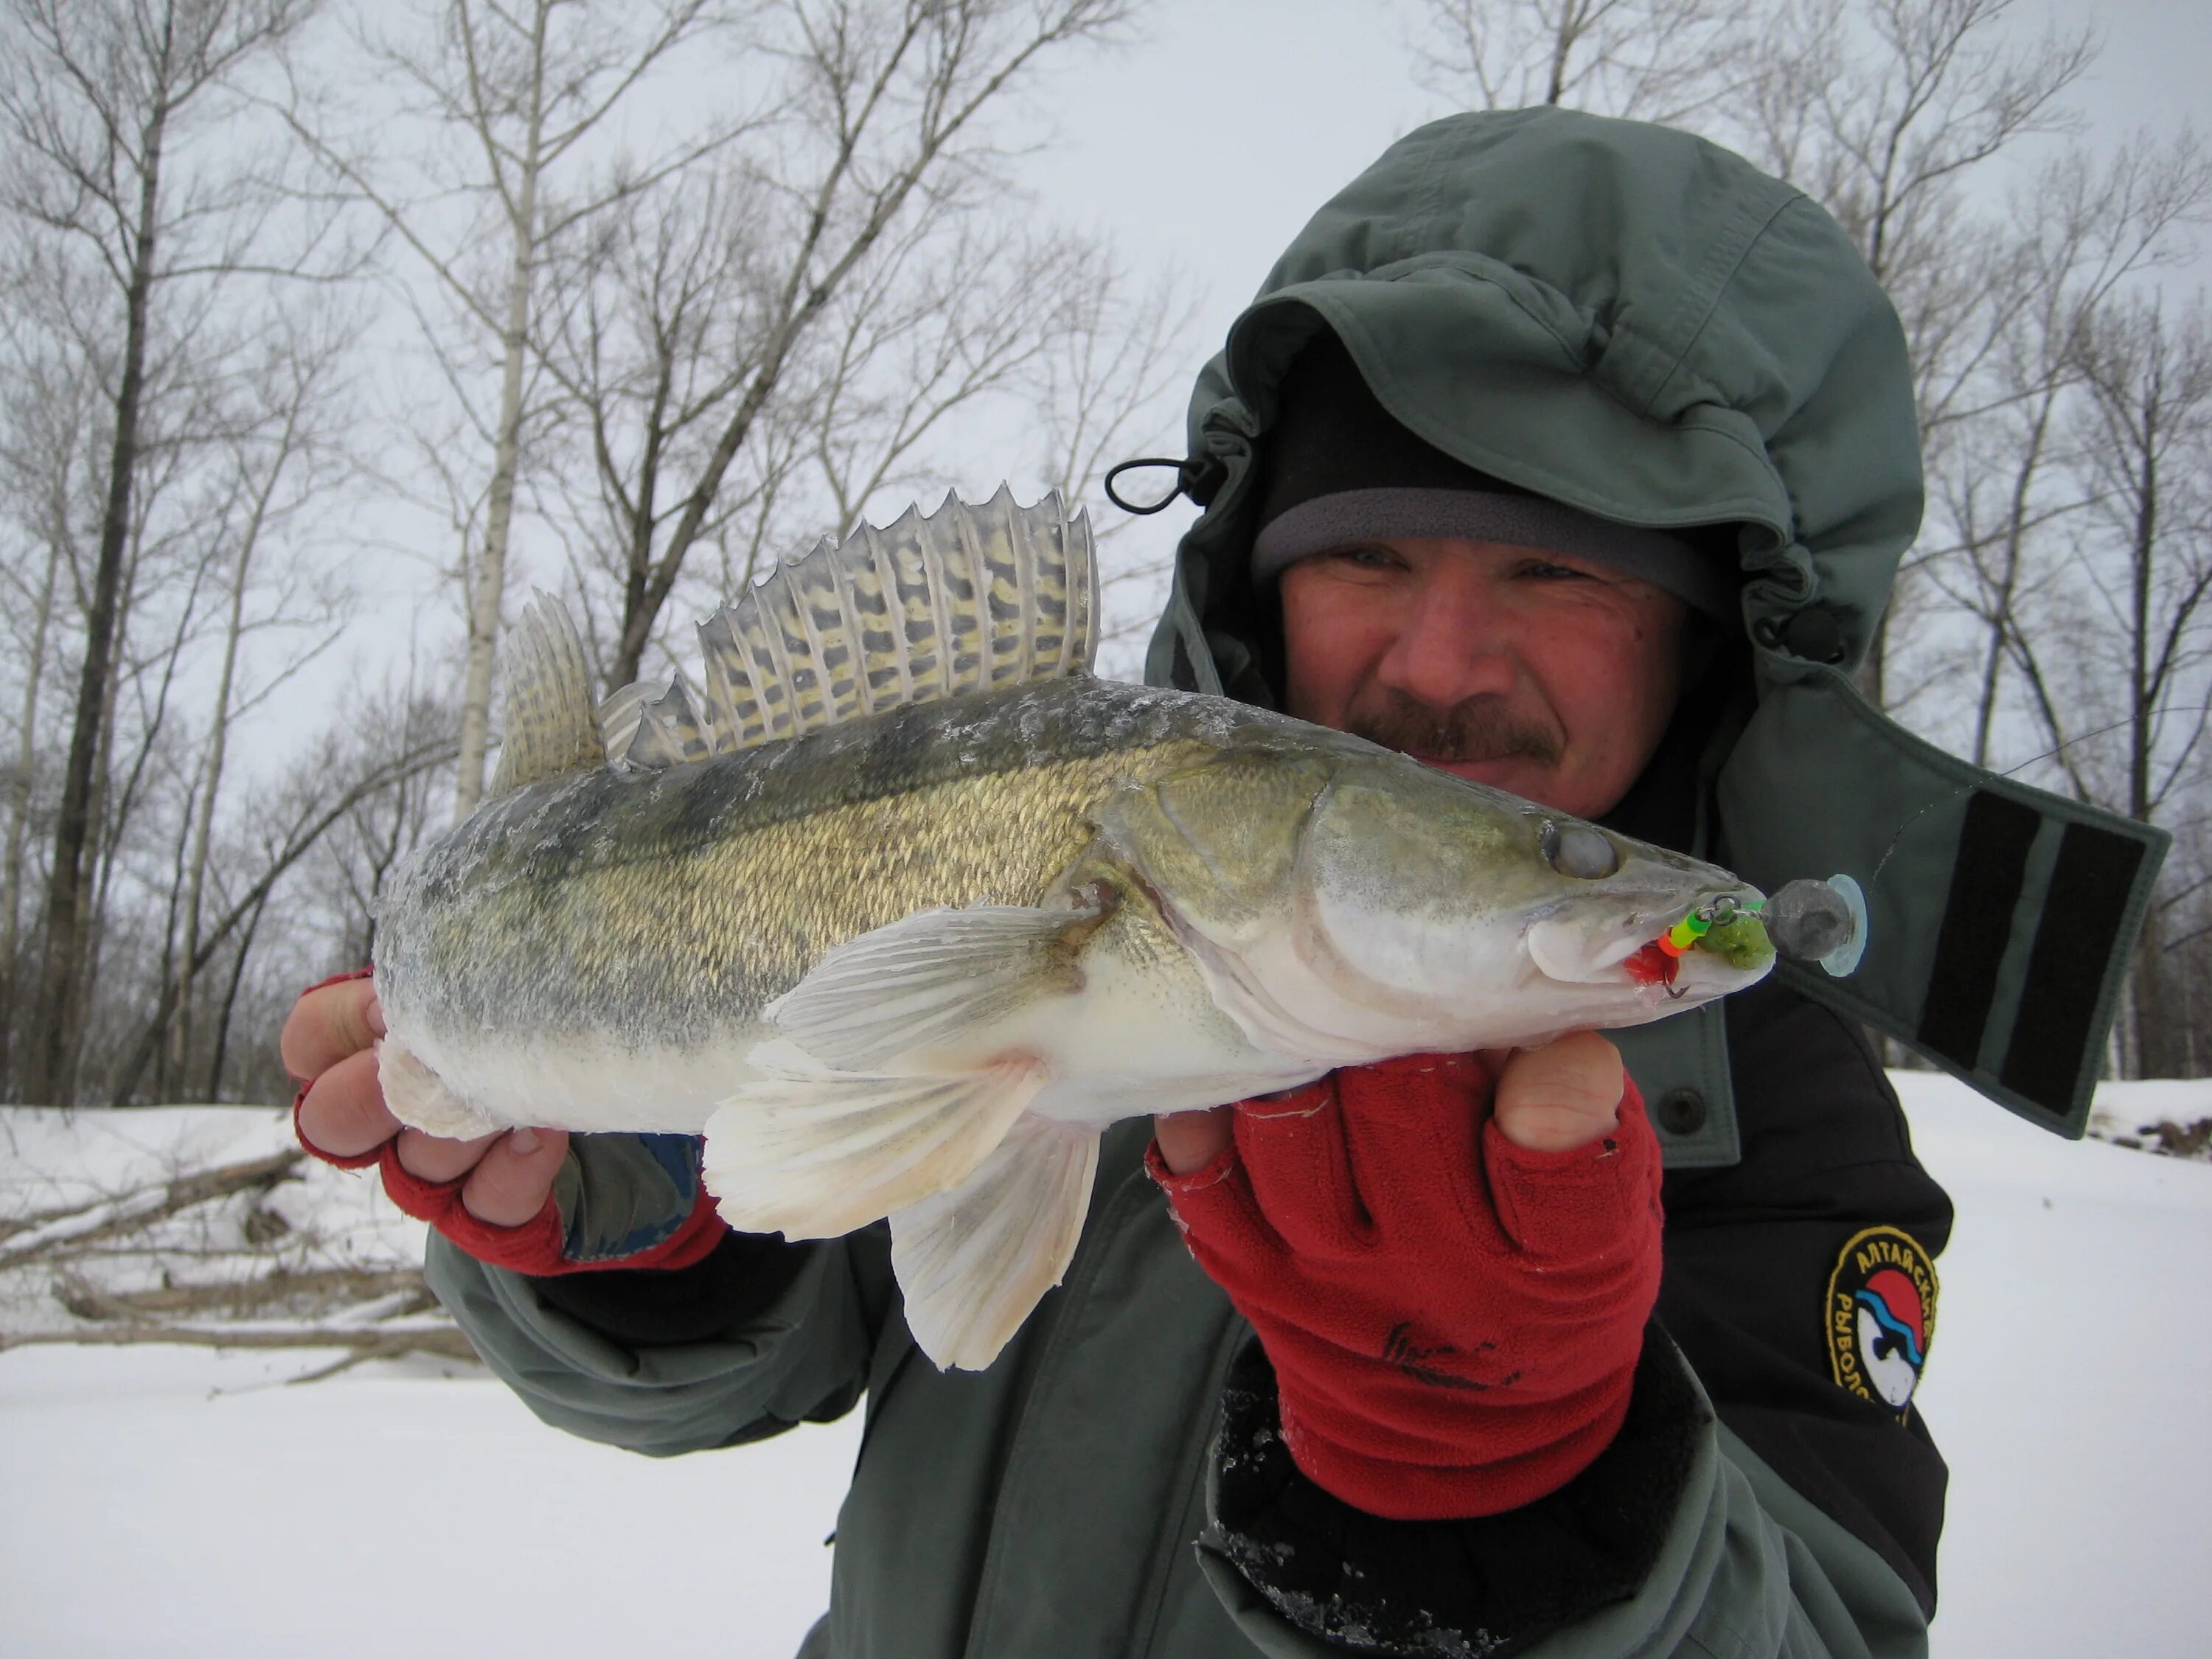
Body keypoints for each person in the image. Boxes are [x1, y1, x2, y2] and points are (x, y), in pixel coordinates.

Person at [282, 108, 2161, 1656]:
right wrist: (630, 1205)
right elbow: (770, 1319)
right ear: (1258, 580)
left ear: (1708, 651)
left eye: (1560, 577)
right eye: (1372, 558)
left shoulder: (1785, 1129)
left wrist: (1531, 1486)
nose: (1441, 664)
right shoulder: (1105, 871)